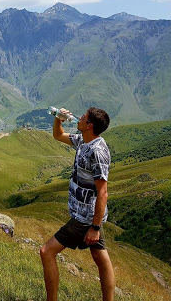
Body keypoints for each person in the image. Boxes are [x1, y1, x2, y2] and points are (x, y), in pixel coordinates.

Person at [40, 107, 115, 301]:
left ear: (89, 125)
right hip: (86, 215)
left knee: (46, 252)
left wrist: (95, 227)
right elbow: (58, 136)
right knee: (100, 257)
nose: (78, 118)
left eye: (83, 117)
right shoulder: (84, 140)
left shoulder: (97, 152)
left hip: (85, 217)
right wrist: (59, 118)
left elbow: (103, 192)